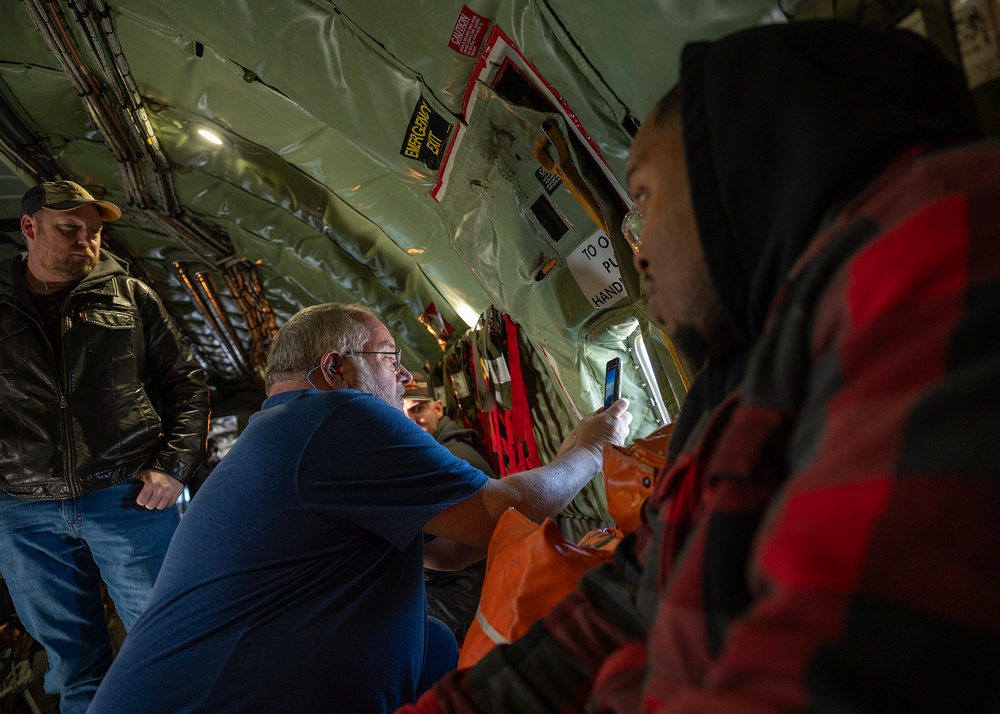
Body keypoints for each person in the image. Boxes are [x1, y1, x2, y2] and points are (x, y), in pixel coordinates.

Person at [402, 19, 1000, 713]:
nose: (639, 247)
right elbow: (629, 599)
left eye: (646, 198)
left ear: (739, 173)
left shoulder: (934, 260)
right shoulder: (742, 380)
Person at [88, 302, 631, 713]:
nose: (407, 377)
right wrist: (590, 446)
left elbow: (449, 550)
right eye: (391, 358)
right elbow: (502, 511)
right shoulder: (334, 417)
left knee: (436, 644)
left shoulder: (288, 432)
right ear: (336, 368)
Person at [0, 181, 210, 713]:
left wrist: (174, 467)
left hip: (126, 497)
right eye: (70, 229)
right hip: (21, 507)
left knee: (164, 641)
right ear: (30, 229)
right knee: (73, 663)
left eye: (93, 232)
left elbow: (187, 382)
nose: (86, 242)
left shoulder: (132, 297)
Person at [404, 372, 496, 642]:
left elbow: (455, 554)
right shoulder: (433, 453)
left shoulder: (455, 460)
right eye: (402, 414)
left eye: (418, 409)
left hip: (472, 587)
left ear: (438, 408)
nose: (411, 421)